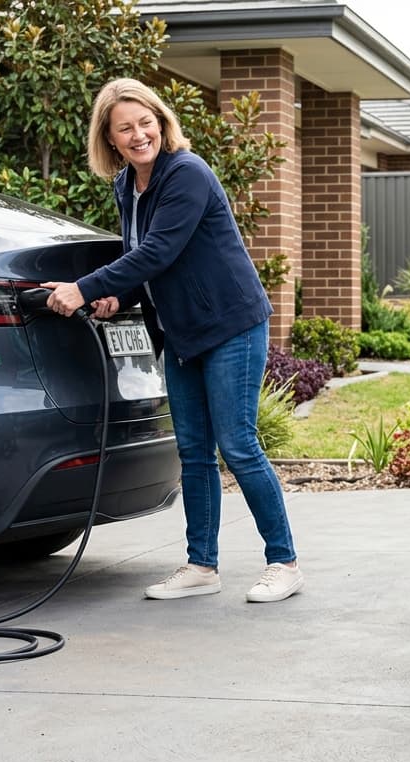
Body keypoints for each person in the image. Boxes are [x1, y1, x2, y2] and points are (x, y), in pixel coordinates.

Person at [40, 78, 303, 603]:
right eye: (125, 128)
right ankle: (202, 566)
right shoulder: (127, 188)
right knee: (194, 452)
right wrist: (117, 297)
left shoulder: (187, 173)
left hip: (230, 323)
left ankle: (284, 562)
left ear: (161, 122)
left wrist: (84, 288)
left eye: (146, 122)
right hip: (181, 332)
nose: (139, 134)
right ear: (110, 139)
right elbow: (148, 262)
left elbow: (158, 250)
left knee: (238, 444)